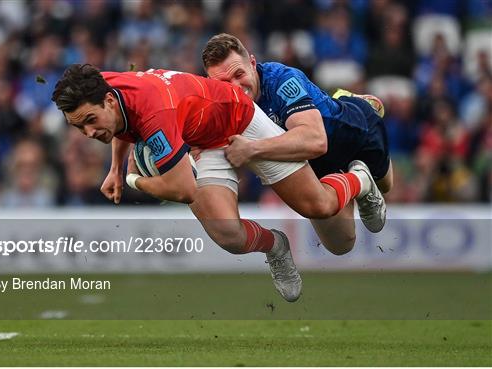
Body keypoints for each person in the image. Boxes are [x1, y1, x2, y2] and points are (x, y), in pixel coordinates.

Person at [52, 64, 383, 302]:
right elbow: (121, 122)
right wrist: (114, 166)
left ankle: (358, 179)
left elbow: (183, 189)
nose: (88, 133)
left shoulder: (155, 114)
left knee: (320, 206)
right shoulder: (102, 88)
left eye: (90, 122)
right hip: (200, 137)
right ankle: (276, 246)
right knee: (228, 234)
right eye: (79, 127)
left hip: (239, 118)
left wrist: (135, 179)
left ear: (108, 101)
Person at [202, 33, 392, 255]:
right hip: (311, 164)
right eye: (224, 83)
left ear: (253, 64)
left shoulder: (281, 79)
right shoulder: (216, 105)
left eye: (239, 74)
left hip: (352, 134)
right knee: (340, 245)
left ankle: (353, 101)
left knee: (386, 185)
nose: (235, 87)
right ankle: (358, 179)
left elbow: (315, 141)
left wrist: (251, 150)